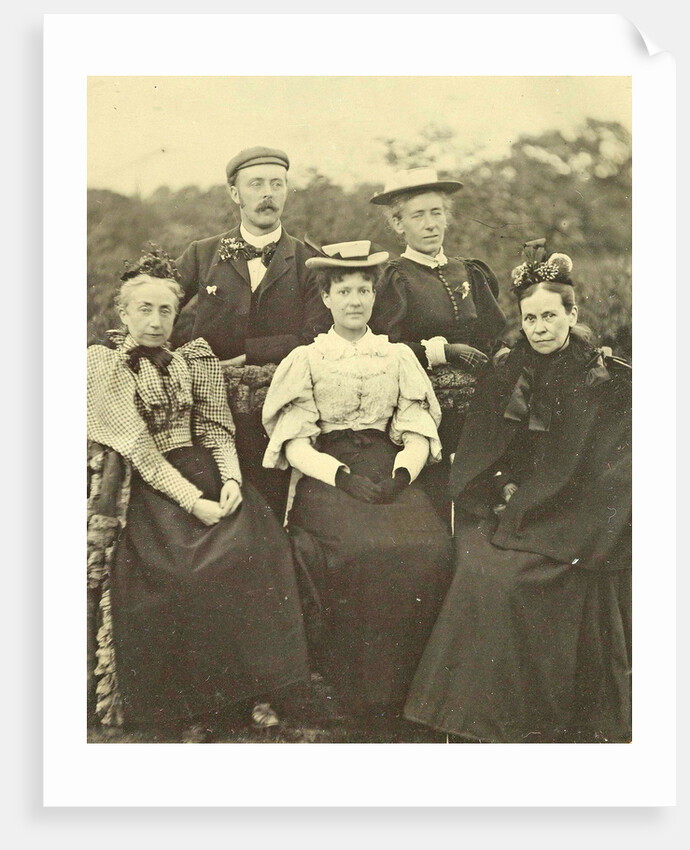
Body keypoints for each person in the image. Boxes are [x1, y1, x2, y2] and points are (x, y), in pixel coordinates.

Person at [404, 239, 632, 743]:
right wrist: (504, 487)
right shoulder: (510, 369)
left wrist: (545, 501)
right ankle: (465, 717)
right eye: (531, 319)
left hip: (574, 516)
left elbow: (613, 468)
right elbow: (486, 447)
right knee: (479, 570)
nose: (540, 328)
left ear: (573, 314)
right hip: (512, 509)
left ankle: (526, 716)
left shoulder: (604, 377)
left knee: (512, 579)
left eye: (551, 316)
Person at [87, 247, 309, 739]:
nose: (155, 319)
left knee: (260, 546)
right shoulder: (106, 365)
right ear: (123, 313)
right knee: (181, 571)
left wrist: (230, 479)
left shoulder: (194, 358)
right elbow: (140, 450)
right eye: (143, 309)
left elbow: (214, 429)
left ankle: (259, 687)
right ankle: (193, 700)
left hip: (205, 468)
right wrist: (192, 501)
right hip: (155, 487)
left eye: (165, 310)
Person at [261, 240, 454, 719]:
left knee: (429, 546)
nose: (354, 300)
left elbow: (415, 426)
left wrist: (403, 472)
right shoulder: (307, 359)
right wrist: (341, 476)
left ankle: (413, 692)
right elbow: (295, 443)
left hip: (388, 468)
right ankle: (355, 691)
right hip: (328, 473)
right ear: (325, 298)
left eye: (363, 290)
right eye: (343, 291)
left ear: (374, 297)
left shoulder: (395, 357)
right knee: (360, 549)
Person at [170, 145, 330, 514]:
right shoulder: (203, 253)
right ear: (235, 193)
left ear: (287, 192)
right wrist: (180, 355)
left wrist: (250, 355)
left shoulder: (309, 260)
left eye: (277, 184)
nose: (267, 193)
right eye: (256, 184)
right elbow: (159, 305)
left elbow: (317, 335)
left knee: (270, 508)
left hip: (277, 406)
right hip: (207, 405)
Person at [369, 166, 507, 519]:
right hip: (426, 406)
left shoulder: (470, 271)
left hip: (482, 401)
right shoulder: (395, 278)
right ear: (399, 225)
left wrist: (501, 353)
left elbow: (494, 333)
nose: (430, 224)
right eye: (418, 216)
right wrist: (444, 352)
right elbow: (383, 347)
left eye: (437, 213)